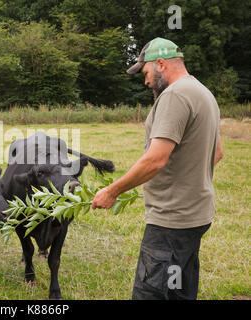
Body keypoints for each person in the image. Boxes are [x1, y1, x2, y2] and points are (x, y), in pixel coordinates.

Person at [91, 37, 224, 300]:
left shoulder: (175, 95)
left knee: (151, 293)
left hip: (171, 221)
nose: (146, 81)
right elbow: (217, 153)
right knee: (179, 291)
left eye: (146, 72)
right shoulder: (203, 92)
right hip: (196, 215)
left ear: (161, 64)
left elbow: (155, 160)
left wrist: (112, 191)